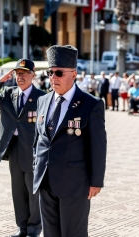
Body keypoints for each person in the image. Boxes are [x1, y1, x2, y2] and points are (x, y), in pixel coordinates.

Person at [33, 45, 106, 237]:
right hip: (45, 181)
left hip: (74, 184)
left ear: (73, 74)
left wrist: (96, 180)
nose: (53, 77)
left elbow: (98, 147)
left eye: (58, 73)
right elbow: (38, 140)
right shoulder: (43, 101)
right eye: (50, 72)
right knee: (50, 233)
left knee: (73, 233)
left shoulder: (91, 104)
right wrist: (36, 167)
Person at [0, 59, 45, 237]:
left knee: (33, 191)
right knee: (18, 190)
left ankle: (33, 229)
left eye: (24, 73)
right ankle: (22, 227)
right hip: (14, 148)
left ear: (33, 75)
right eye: (17, 73)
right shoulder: (8, 94)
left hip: (33, 150)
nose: (20, 77)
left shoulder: (42, 97)